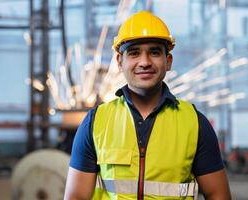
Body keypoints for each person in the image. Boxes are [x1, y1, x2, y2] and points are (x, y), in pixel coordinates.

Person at [64, 11, 231, 200]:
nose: (145, 62)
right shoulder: (95, 123)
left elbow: (219, 195)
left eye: (154, 52)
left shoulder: (195, 123)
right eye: (134, 53)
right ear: (120, 61)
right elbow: (76, 197)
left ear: (168, 61)